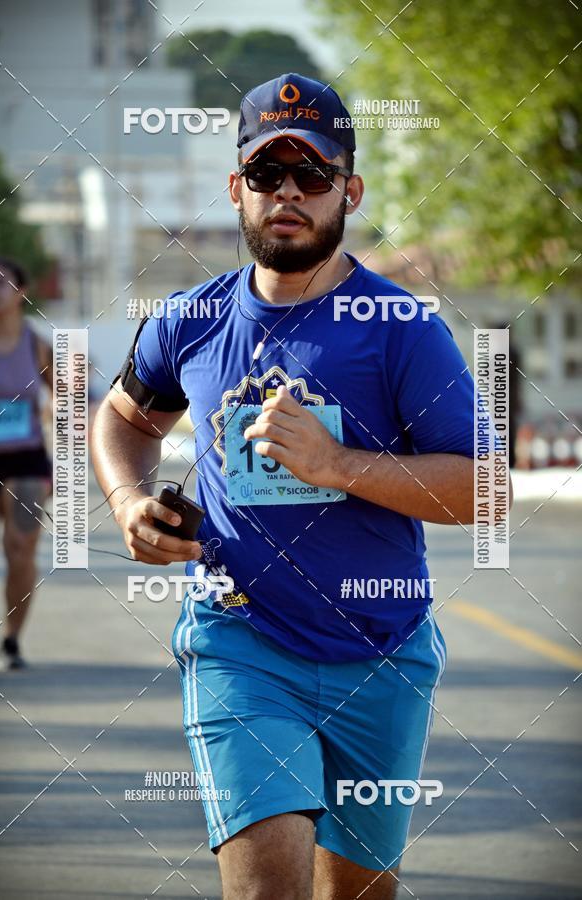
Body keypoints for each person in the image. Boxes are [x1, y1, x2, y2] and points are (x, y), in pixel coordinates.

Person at [92, 73, 512, 899]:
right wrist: (127, 504)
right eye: (265, 174)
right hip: (238, 645)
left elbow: (487, 491)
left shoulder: (403, 330)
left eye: (312, 175)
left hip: (380, 656)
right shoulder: (190, 318)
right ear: (237, 190)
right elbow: (123, 420)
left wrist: (335, 465)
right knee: (266, 886)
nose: (287, 193)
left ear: (348, 190)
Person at [0, 258, 53, 670]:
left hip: (26, 458)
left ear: (21, 292)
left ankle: (11, 640)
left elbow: (67, 400)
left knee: (21, 548)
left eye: (1, 283)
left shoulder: (37, 345)